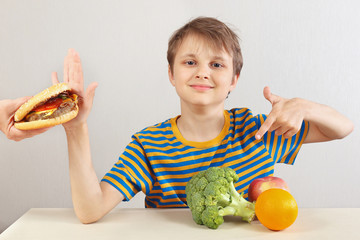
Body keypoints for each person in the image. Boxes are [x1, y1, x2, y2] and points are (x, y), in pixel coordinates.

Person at [52, 17, 352, 224]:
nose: (203, 72)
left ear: (234, 79)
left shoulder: (258, 130)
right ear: (172, 74)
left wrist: (302, 105)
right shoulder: (149, 145)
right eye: (190, 62)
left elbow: (342, 128)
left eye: (217, 64)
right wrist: (76, 128)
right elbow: (90, 210)